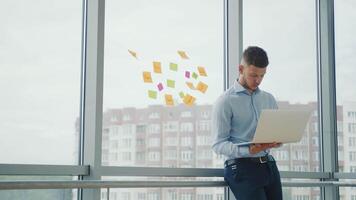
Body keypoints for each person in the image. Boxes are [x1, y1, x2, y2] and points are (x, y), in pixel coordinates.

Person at [211, 46, 283, 200]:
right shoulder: (225, 101)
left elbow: (276, 132)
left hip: (269, 166)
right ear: (241, 69)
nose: (258, 80)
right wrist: (249, 150)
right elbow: (218, 144)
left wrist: (278, 140)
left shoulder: (268, 99)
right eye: (253, 75)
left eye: (262, 76)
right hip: (242, 168)